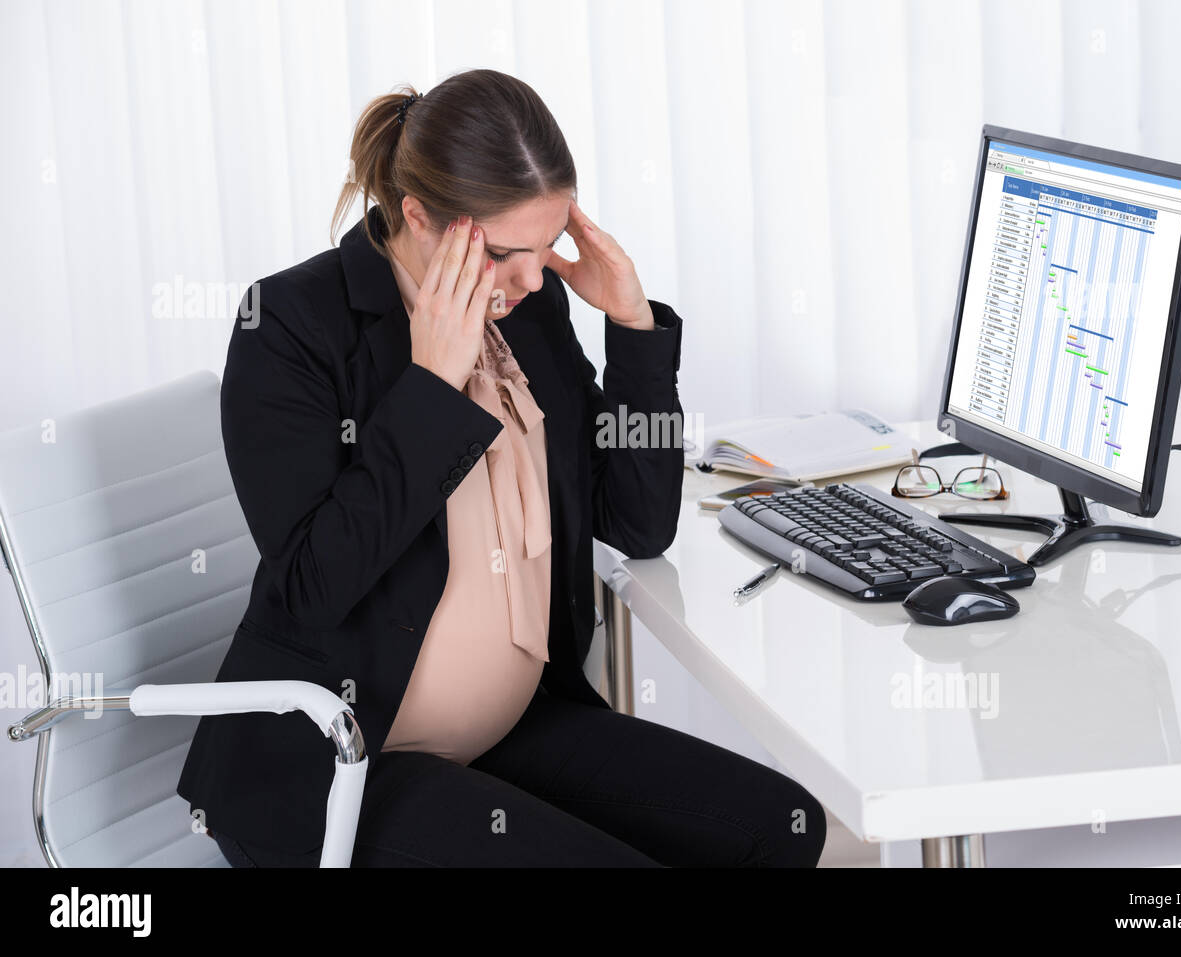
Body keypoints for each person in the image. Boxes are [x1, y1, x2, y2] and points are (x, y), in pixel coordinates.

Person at [177, 68, 826, 867]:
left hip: (507, 731)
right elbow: (313, 584)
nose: (533, 276)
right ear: (419, 216)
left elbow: (637, 521)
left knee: (780, 824)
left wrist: (633, 328)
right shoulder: (291, 326)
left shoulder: (531, 307)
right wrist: (430, 390)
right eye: (511, 252)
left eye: (549, 245)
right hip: (340, 765)